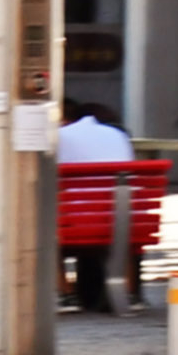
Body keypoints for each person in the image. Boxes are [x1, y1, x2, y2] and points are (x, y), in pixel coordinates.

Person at [56, 101, 140, 312]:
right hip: (122, 228)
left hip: (70, 230)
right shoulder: (119, 136)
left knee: (41, 225)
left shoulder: (61, 137)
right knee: (123, 218)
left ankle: (65, 294)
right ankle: (129, 293)